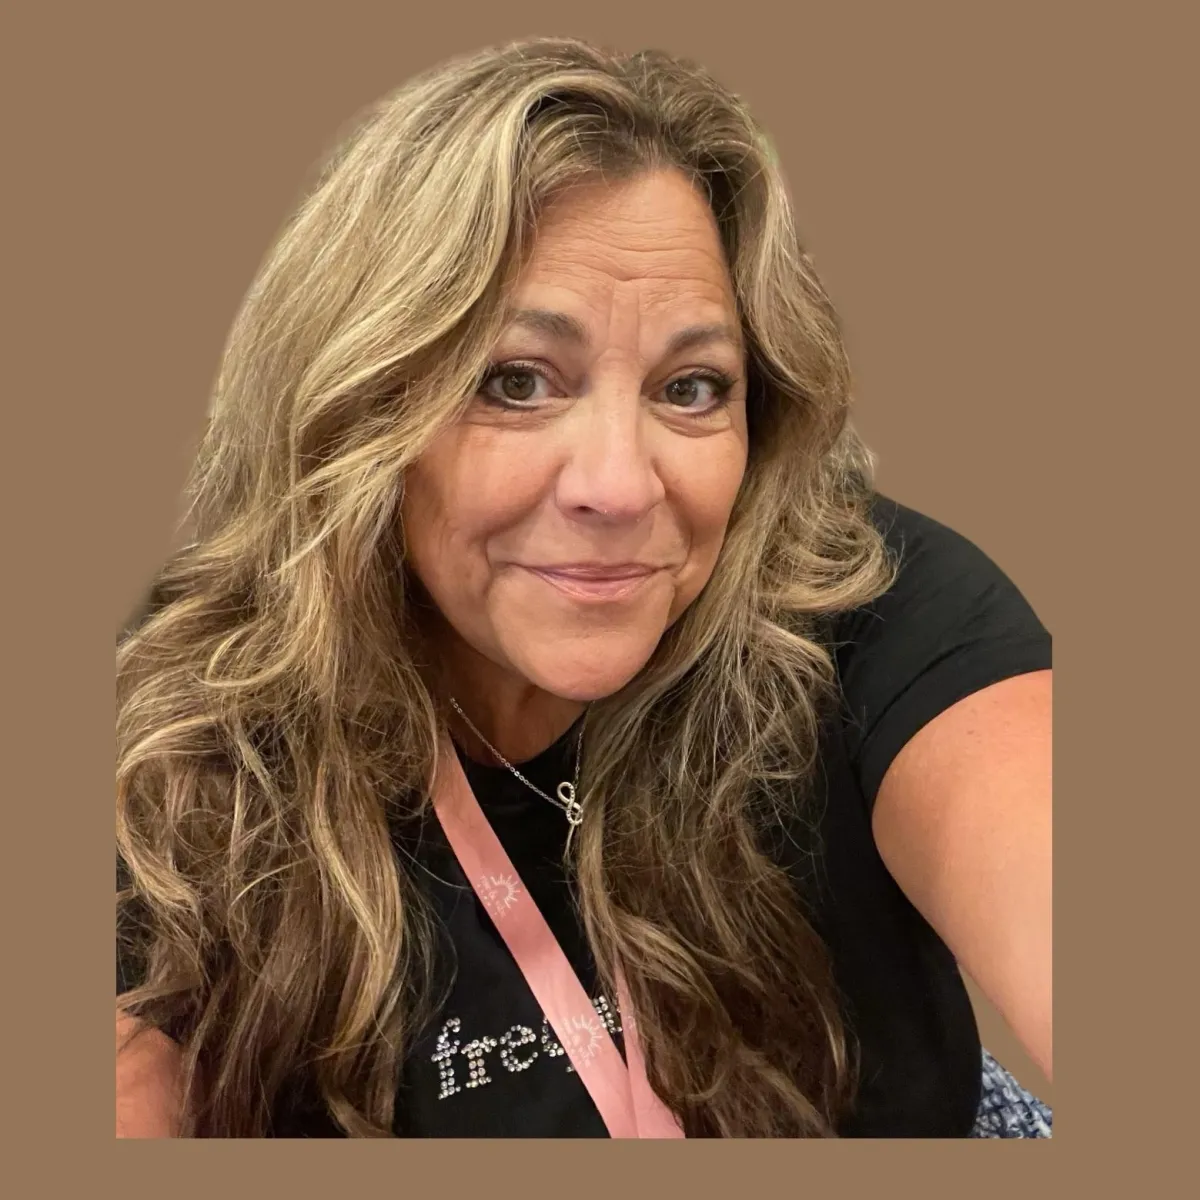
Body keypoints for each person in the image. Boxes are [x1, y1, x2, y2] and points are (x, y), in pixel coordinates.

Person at [115, 36, 1052, 1139]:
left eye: (691, 388)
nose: (619, 486)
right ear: (360, 409)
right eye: (516, 382)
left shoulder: (875, 605)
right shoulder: (198, 715)